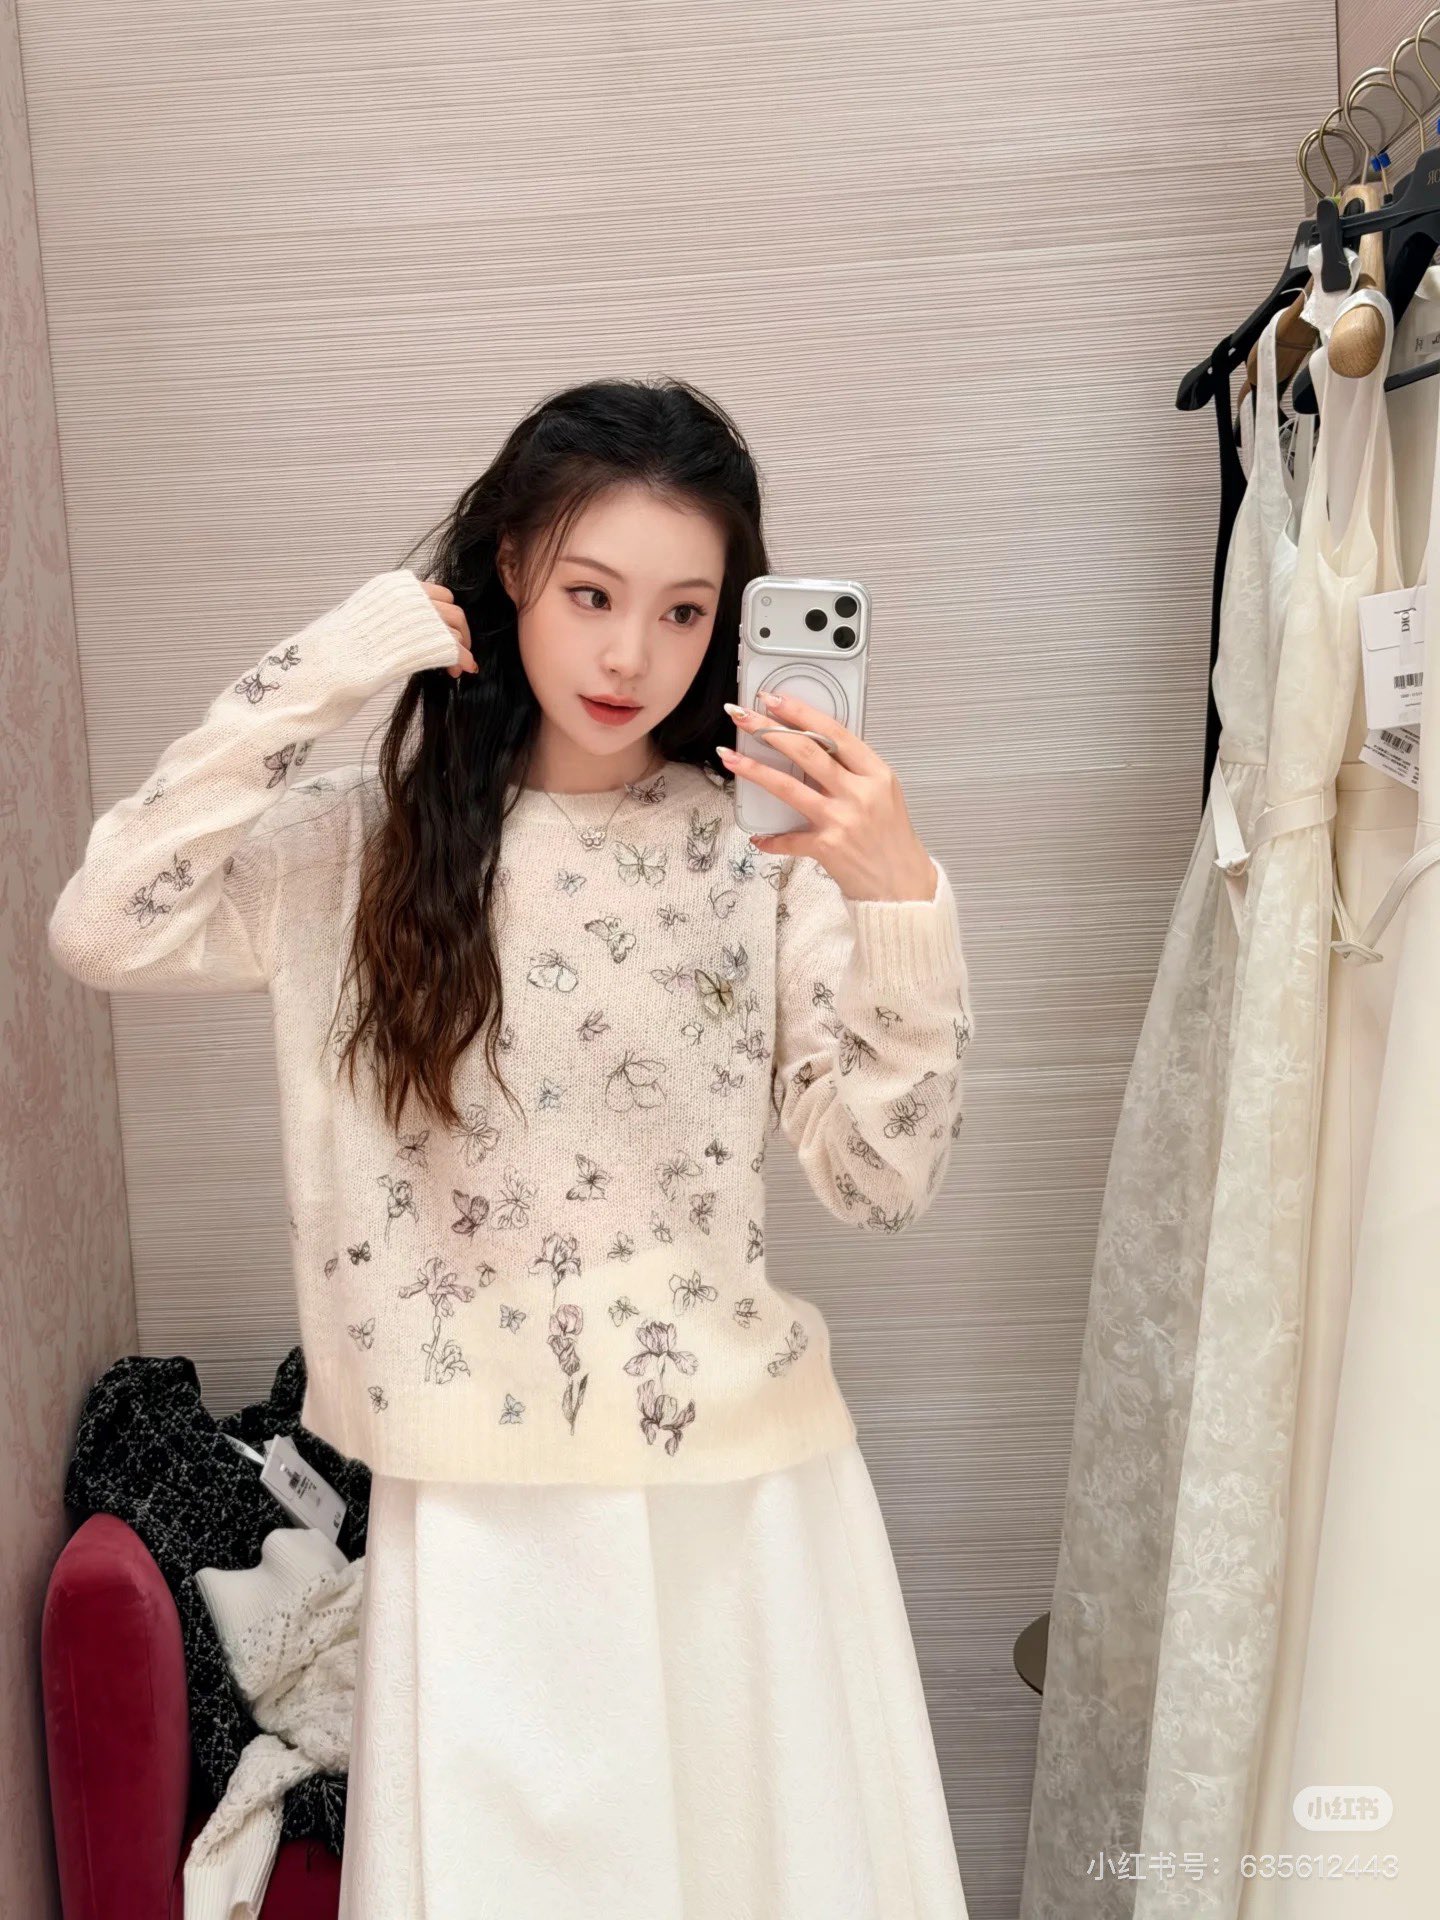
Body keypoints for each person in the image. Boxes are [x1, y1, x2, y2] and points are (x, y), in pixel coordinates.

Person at [47, 375, 975, 1918]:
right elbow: (103, 923)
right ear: (508, 580)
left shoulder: (759, 856)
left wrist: (897, 899)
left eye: (683, 613)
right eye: (591, 594)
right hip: (476, 1506)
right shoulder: (363, 844)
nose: (630, 656)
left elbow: (882, 1180)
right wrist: (331, 666)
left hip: (742, 1504)